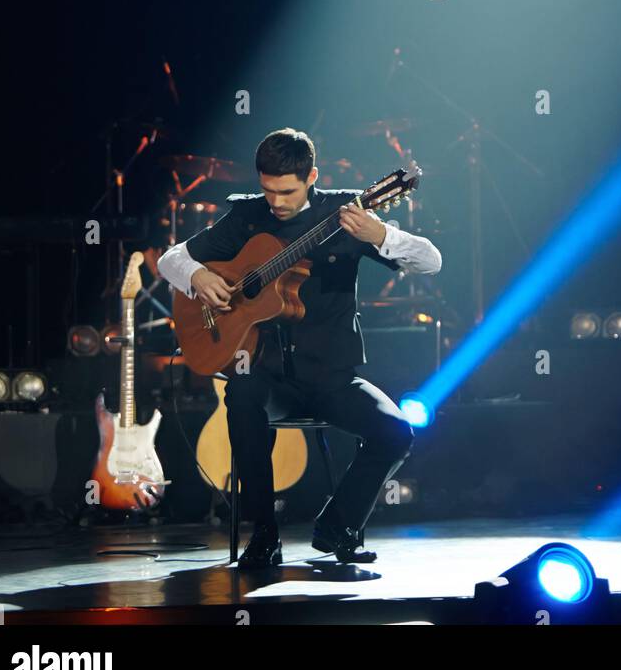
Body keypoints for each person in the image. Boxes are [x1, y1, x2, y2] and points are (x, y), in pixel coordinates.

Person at [158, 127, 442, 567]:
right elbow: (170, 258)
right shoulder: (248, 217)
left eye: (287, 191)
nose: (277, 201)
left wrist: (379, 235)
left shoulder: (348, 213)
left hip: (332, 376)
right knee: (242, 393)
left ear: (312, 176)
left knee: (395, 432)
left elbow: (431, 260)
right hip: (268, 376)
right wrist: (197, 277)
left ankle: (337, 525)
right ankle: (264, 535)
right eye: (268, 189)